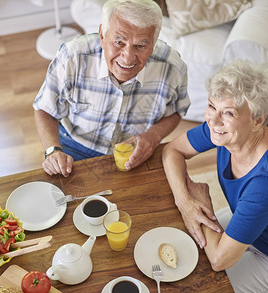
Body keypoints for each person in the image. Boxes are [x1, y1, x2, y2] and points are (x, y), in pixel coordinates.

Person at [162, 59, 268, 293]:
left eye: (228, 112)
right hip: (258, 229)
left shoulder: (267, 183)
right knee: (182, 247)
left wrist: (204, 206)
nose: (213, 121)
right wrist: (185, 202)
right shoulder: (230, 130)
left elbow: (219, 260)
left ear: (258, 120)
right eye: (211, 106)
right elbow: (172, 151)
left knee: (198, 291)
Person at [33, 0, 190, 177]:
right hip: (72, 147)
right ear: (102, 34)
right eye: (119, 42)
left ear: (154, 43)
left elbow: (177, 110)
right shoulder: (72, 57)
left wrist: (153, 136)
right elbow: (44, 109)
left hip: (135, 153)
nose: (128, 58)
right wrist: (53, 151)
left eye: (140, 46)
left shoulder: (173, 67)